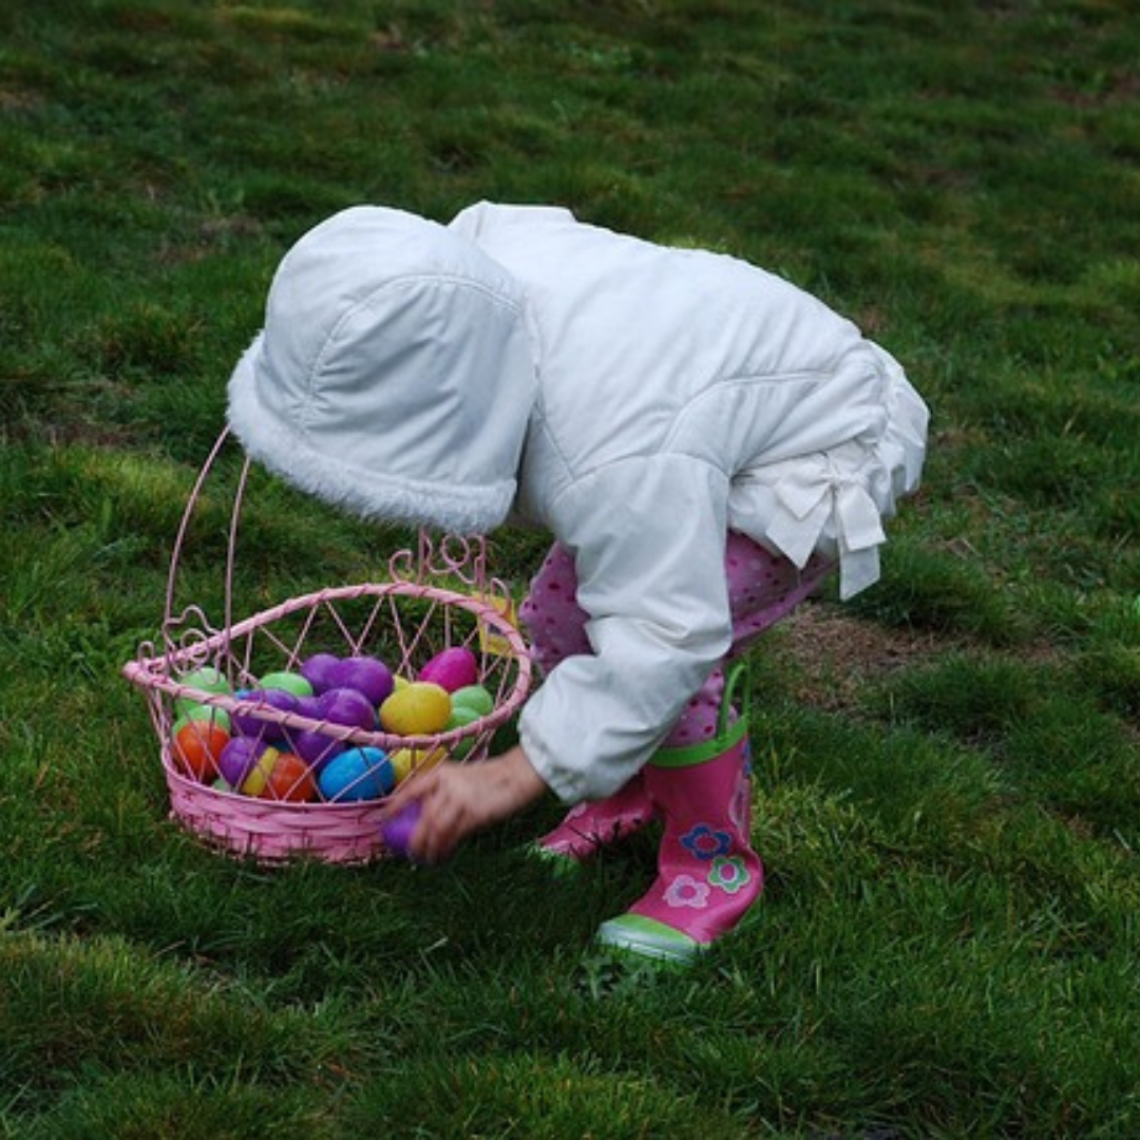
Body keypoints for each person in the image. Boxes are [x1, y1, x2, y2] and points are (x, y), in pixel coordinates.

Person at [227, 202, 929, 964]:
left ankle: (712, 867)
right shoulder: (458, 279)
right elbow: (513, 219)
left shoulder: (614, 449)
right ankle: (628, 785)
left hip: (822, 438)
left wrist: (513, 777)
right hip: (700, 389)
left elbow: (667, 635)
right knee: (560, 619)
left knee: (676, 663)